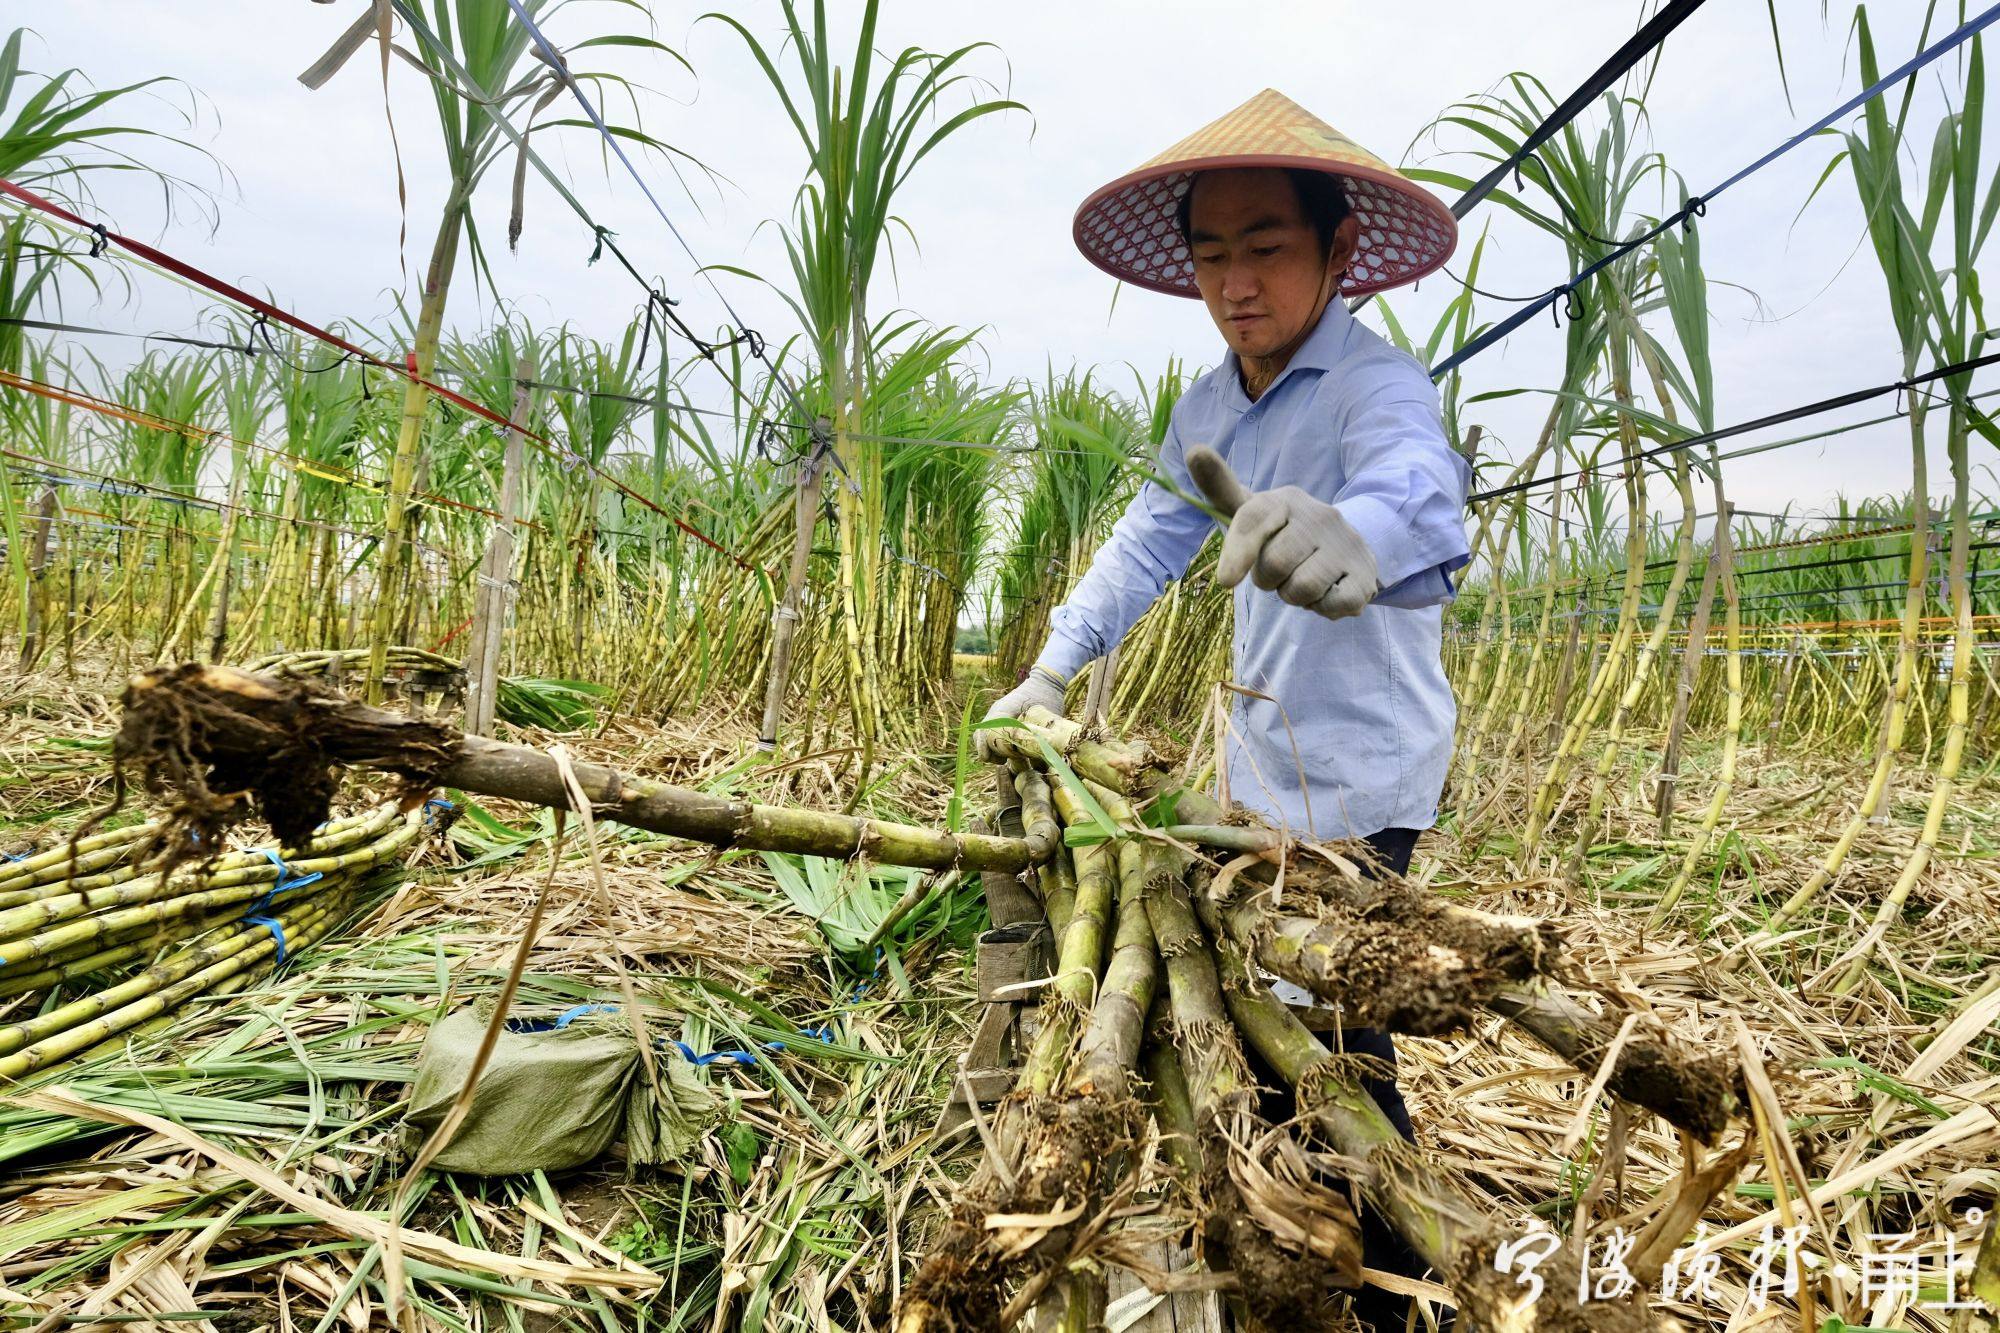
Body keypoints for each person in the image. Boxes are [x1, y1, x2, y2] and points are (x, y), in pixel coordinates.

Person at [985, 89, 1471, 1329]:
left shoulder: (1374, 388)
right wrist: (1051, 666)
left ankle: (1404, 1291)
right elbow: (1147, 542)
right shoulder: (1207, 409)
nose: (1234, 282)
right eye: (1211, 254)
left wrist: (1353, 527)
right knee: (1266, 1032)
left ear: (1335, 252)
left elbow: (1417, 488)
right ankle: (1293, 1258)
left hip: (1364, 781)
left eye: (1265, 247)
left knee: (1342, 1043)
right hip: (1256, 764)